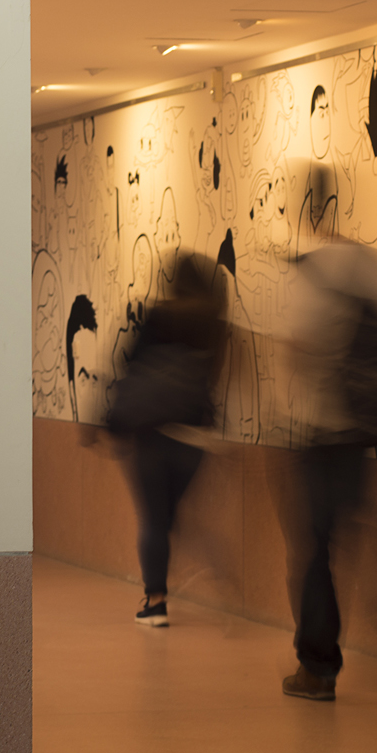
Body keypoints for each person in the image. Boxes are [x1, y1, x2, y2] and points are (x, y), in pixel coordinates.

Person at [278, 232, 377, 712]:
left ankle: (317, 669)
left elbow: (299, 351)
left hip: (325, 438)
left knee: (317, 556)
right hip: (368, 441)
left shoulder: (315, 274)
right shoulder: (372, 269)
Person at [107, 252, 226, 626]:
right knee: (169, 516)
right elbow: (214, 377)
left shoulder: (159, 315)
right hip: (195, 439)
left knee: (154, 520)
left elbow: (129, 365)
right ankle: (212, 565)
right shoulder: (214, 323)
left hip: (155, 434)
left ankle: (156, 601)